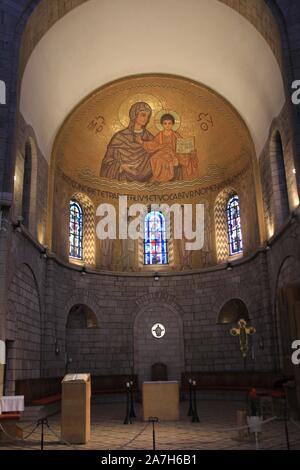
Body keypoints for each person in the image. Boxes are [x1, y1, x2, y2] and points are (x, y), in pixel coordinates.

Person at [100, 102, 154, 182]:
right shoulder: (119, 137)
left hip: (146, 184)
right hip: (123, 181)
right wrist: (120, 167)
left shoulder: (150, 137)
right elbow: (107, 162)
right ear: (134, 115)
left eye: (148, 116)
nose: (146, 118)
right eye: (143, 115)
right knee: (122, 194)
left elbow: (159, 155)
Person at [138, 113, 199, 182]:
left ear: (173, 124)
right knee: (154, 158)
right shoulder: (160, 135)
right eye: (165, 123)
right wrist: (143, 143)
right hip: (163, 152)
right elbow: (154, 144)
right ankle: (158, 178)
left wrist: (189, 149)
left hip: (174, 153)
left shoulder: (175, 135)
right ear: (162, 125)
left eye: (169, 123)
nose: (167, 125)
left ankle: (161, 178)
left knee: (164, 160)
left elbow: (182, 145)